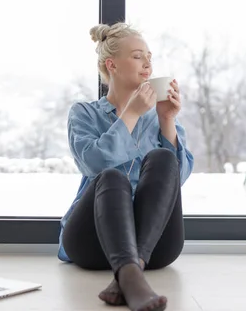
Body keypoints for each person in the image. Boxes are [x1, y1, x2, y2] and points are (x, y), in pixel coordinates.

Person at [57, 22, 194, 311]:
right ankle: (133, 276)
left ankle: (130, 272)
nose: (147, 63)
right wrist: (130, 115)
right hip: (92, 243)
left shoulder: (158, 116)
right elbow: (92, 163)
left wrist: (167, 120)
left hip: (155, 245)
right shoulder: (83, 114)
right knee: (111, 177)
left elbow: (175, 182)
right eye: (137, 56)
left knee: (163, 158)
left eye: (149, 56)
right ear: (112, 65)